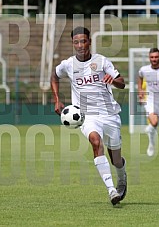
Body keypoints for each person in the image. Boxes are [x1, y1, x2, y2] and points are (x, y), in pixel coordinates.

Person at [51, 26, 127, 206]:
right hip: (87, 116)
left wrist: (113, 80)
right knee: (95, 142)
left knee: (116, 159)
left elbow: (122, 83)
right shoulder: (68, 64)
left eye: (83, 41)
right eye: (76, 42)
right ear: (73, 44)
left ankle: (122, 178)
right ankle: (111, 191)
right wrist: (56, 99)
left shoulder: (101, 61)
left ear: (89, 42)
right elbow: (54, 76)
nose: (80, 45)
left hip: (110, 114)